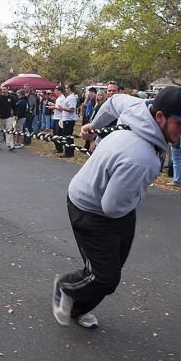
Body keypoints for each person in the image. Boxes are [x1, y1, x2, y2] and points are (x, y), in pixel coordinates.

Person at [52, 87, 181, 329]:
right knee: (105, 277)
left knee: (110, 269)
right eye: (180, 123)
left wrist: (93, 124)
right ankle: (66, 288)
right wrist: (138, 194)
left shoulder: (138, 108)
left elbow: (113, 102)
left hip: (114, 203)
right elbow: (111, 208)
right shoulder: (140, 157)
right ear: (161, 117)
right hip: (91, 209)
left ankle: (77, 309)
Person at [57, 84, 77, 157]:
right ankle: (68, 152)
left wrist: (62, 108)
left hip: (69, 119)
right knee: (66, 136)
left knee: (68, 137)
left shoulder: (71, 98)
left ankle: (69, 153)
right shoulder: (69, 97)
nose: (65, 89)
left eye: (67, 88)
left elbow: (72, 109)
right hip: (66, 119)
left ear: (70, 88)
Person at [0, 86, 16, 150]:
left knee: (9, 131)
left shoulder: (11, 97)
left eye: (5, 89)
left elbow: (14, 106)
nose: (3, 91)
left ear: (7, 90)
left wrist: (15, 114)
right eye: (2, 89)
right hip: (0, 117)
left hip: (8, 117)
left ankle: (10, 144)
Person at [49, 86, 66, 153]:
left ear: (59, 91)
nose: (54, 92)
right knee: (55, 133)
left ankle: (60, 148)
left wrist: (53, 107)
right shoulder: (58, 98)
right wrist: (53, 105)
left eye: (56, 90)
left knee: (58, 134)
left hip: (59, 118)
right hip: (56, 117)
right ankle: (57, 147)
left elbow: (61, 108)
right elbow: (57, 107)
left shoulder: (63, 98)